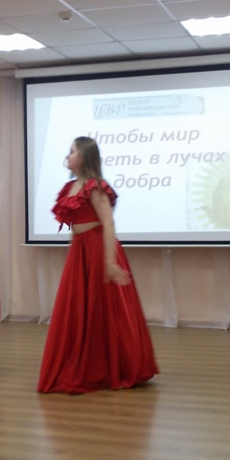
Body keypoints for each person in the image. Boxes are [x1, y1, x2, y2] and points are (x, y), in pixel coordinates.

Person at [38, 136, 158, 394]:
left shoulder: (95, 186)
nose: (68, 155)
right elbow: (75, 226)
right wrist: (75, 252)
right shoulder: (71, 187)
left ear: (84, 156)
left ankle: (113, 366)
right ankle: (86, 363)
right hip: (80, 250)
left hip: (98, 249)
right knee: (81, 309)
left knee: (103, 309)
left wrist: (110, 262)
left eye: (72, 151)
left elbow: (108, 223)